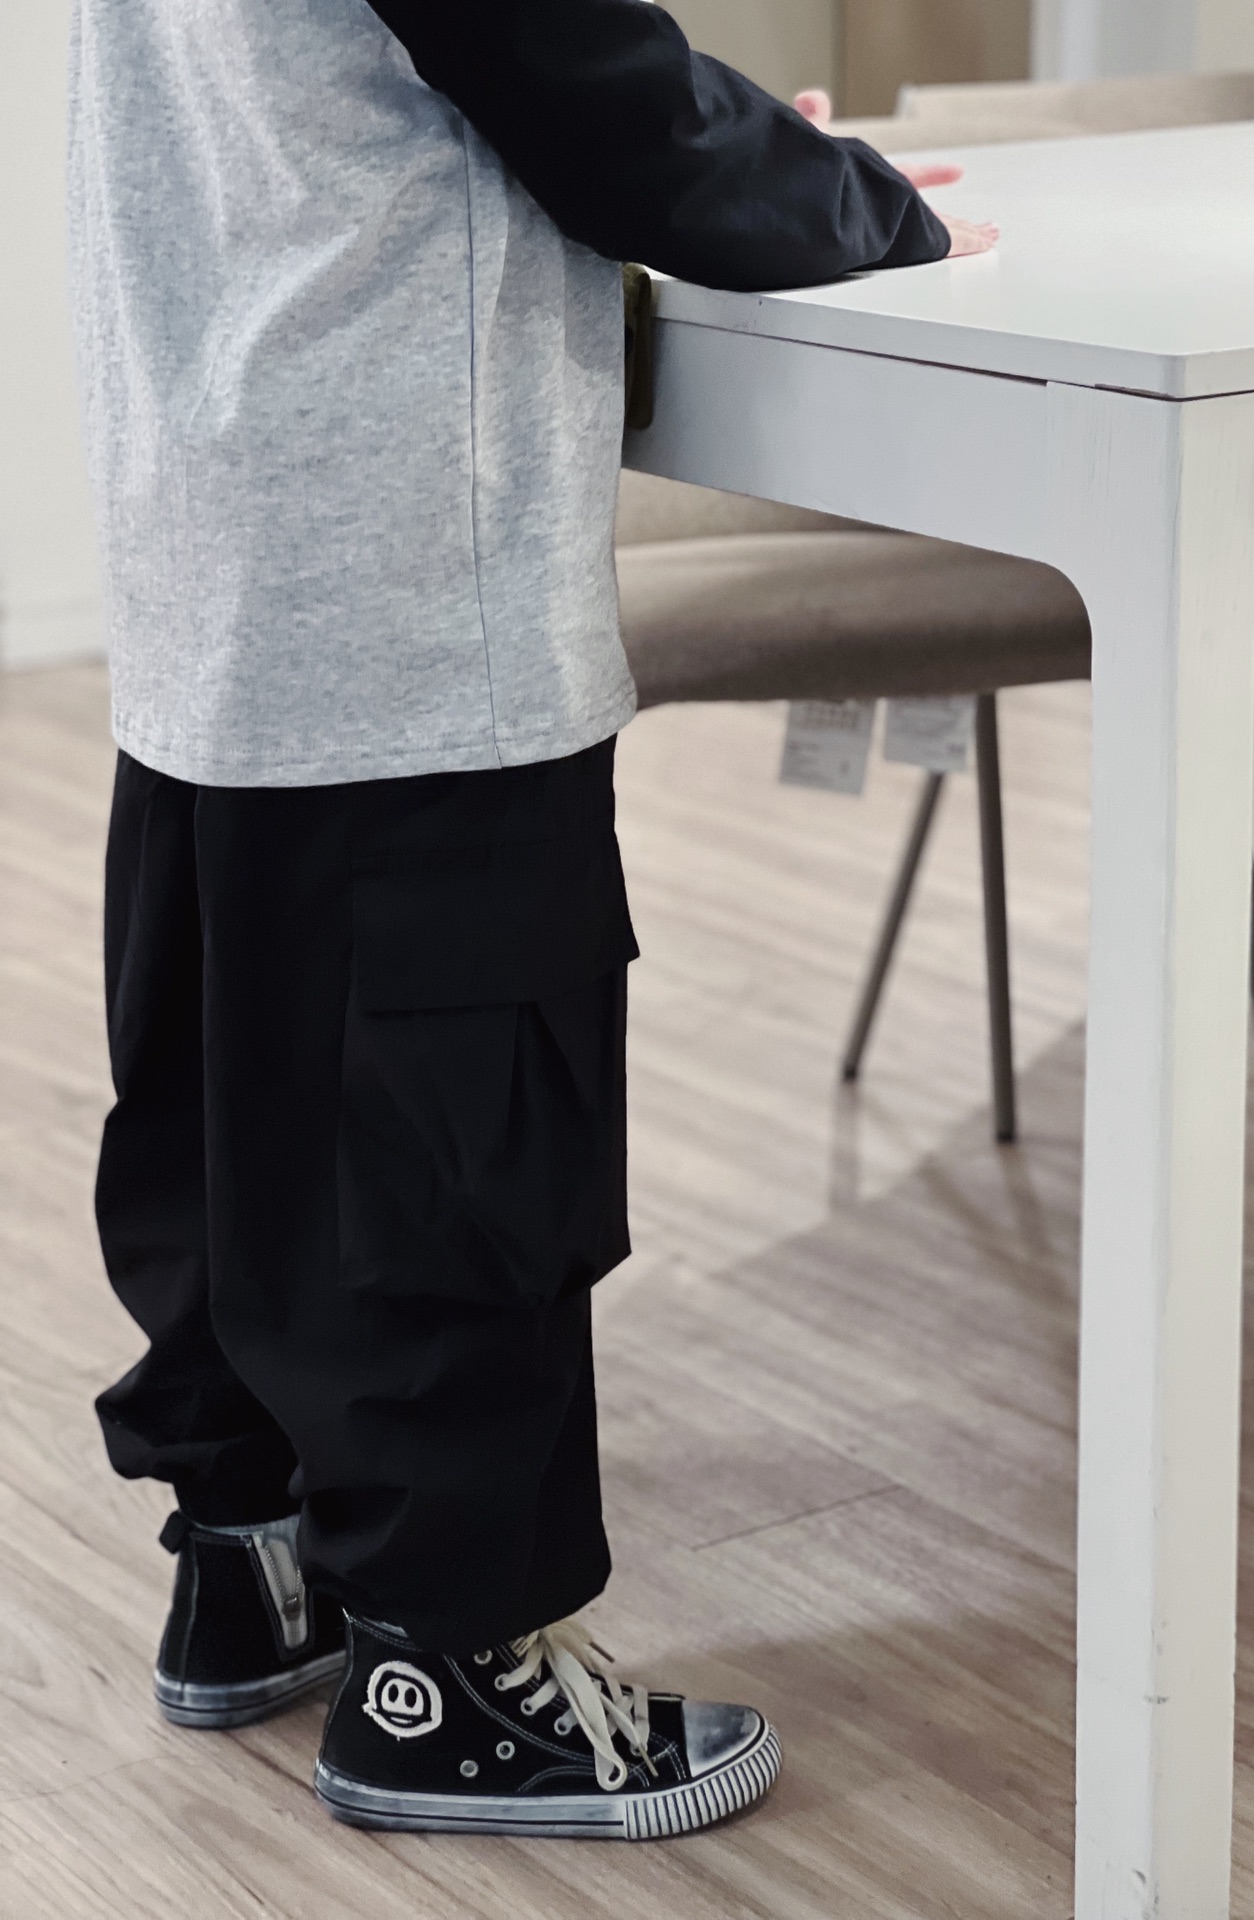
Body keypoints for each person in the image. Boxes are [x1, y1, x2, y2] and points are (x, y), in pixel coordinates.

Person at [67, 0, 996, 1841]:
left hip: (212, 520)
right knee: (454, 1134)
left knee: (234, 1087)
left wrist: (741, 132)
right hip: (410, 538)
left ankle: (250, 1560)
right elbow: (583, 81)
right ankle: (450, 1679)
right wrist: (863, 202)